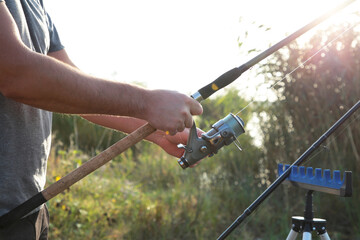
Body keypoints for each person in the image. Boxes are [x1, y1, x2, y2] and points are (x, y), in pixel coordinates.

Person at [0, 0, 203, 239]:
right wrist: (147, 103)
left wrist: (158, 131)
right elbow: (15, 73)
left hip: (28, 209)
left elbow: (68, 84)